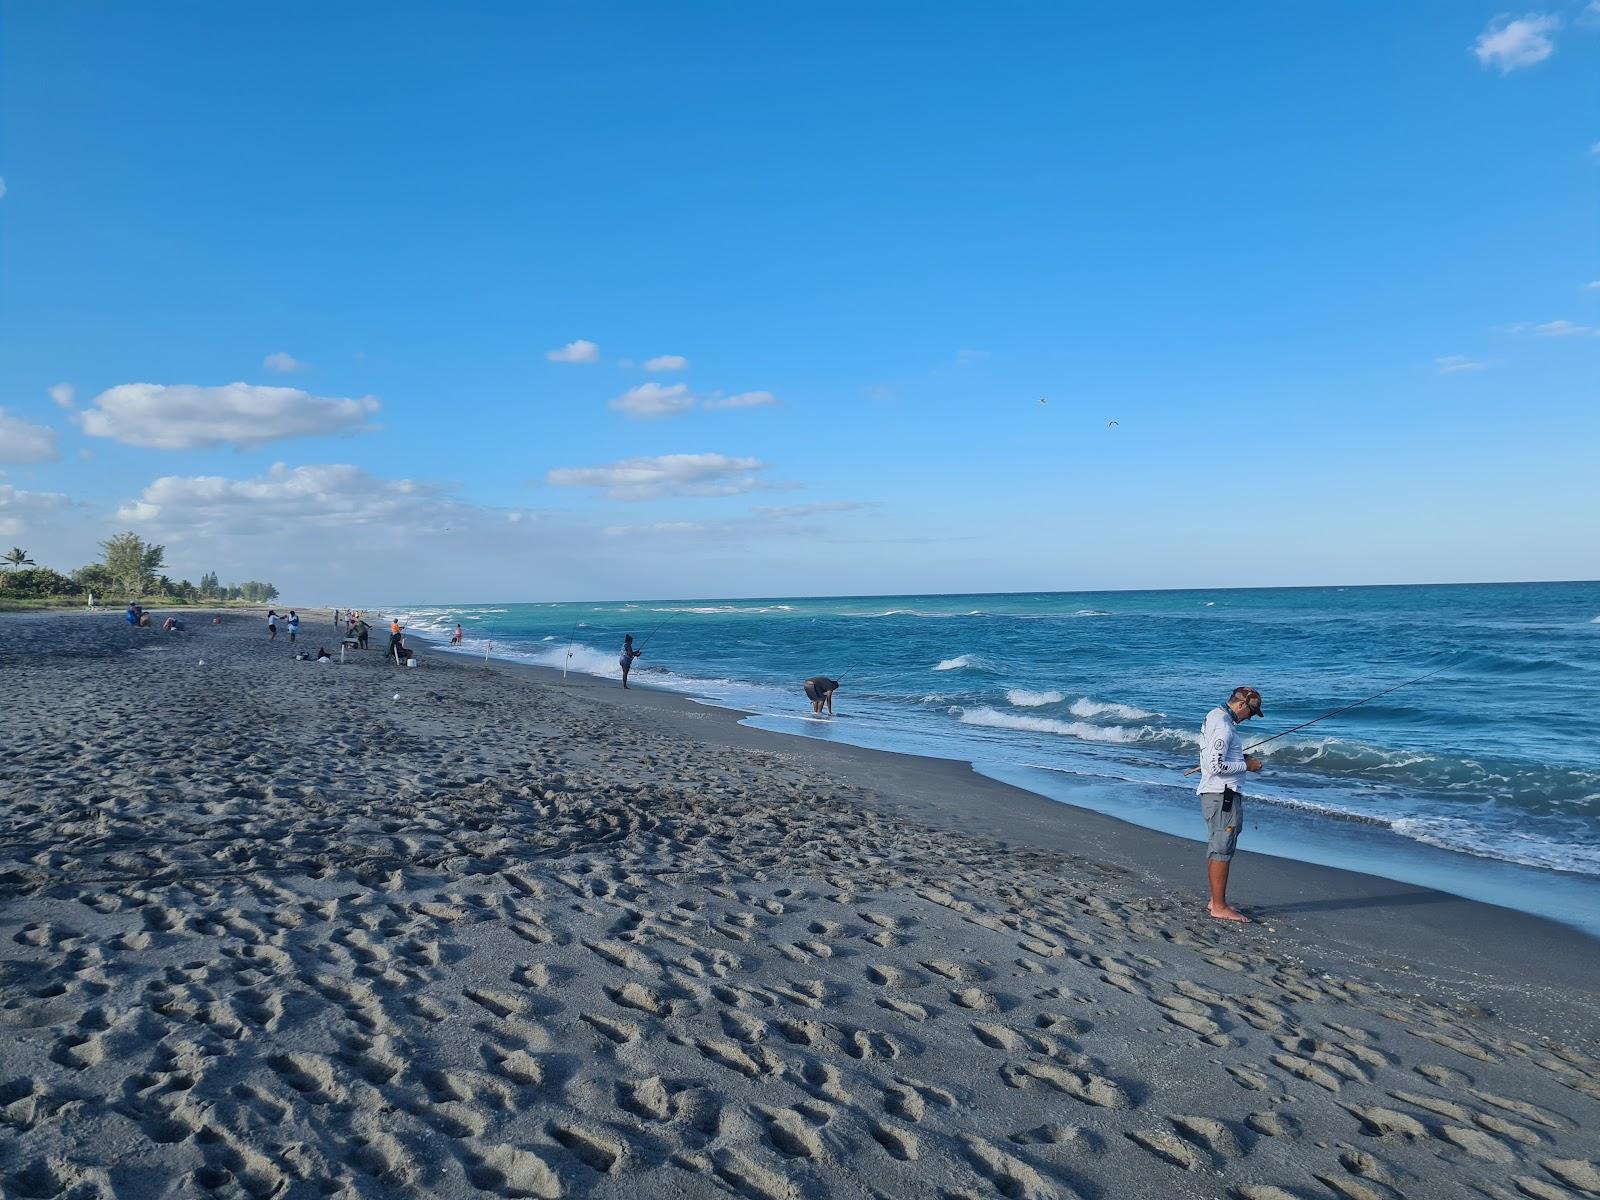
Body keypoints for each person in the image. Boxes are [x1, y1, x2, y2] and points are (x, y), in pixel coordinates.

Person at [1195, 685, 1265, 922]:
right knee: (1223, 848)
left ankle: (1216, 900)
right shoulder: (1224, 726)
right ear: (1242, 705)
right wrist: (1247, 765)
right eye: (1251, 713)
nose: (1250, 718)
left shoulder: (1215, 715)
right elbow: (1215, 766)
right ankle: (1219, 906)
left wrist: (1239, 757)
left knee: (1219, 846)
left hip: (1216, 794)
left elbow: (1213, 757)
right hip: (1222, 795)